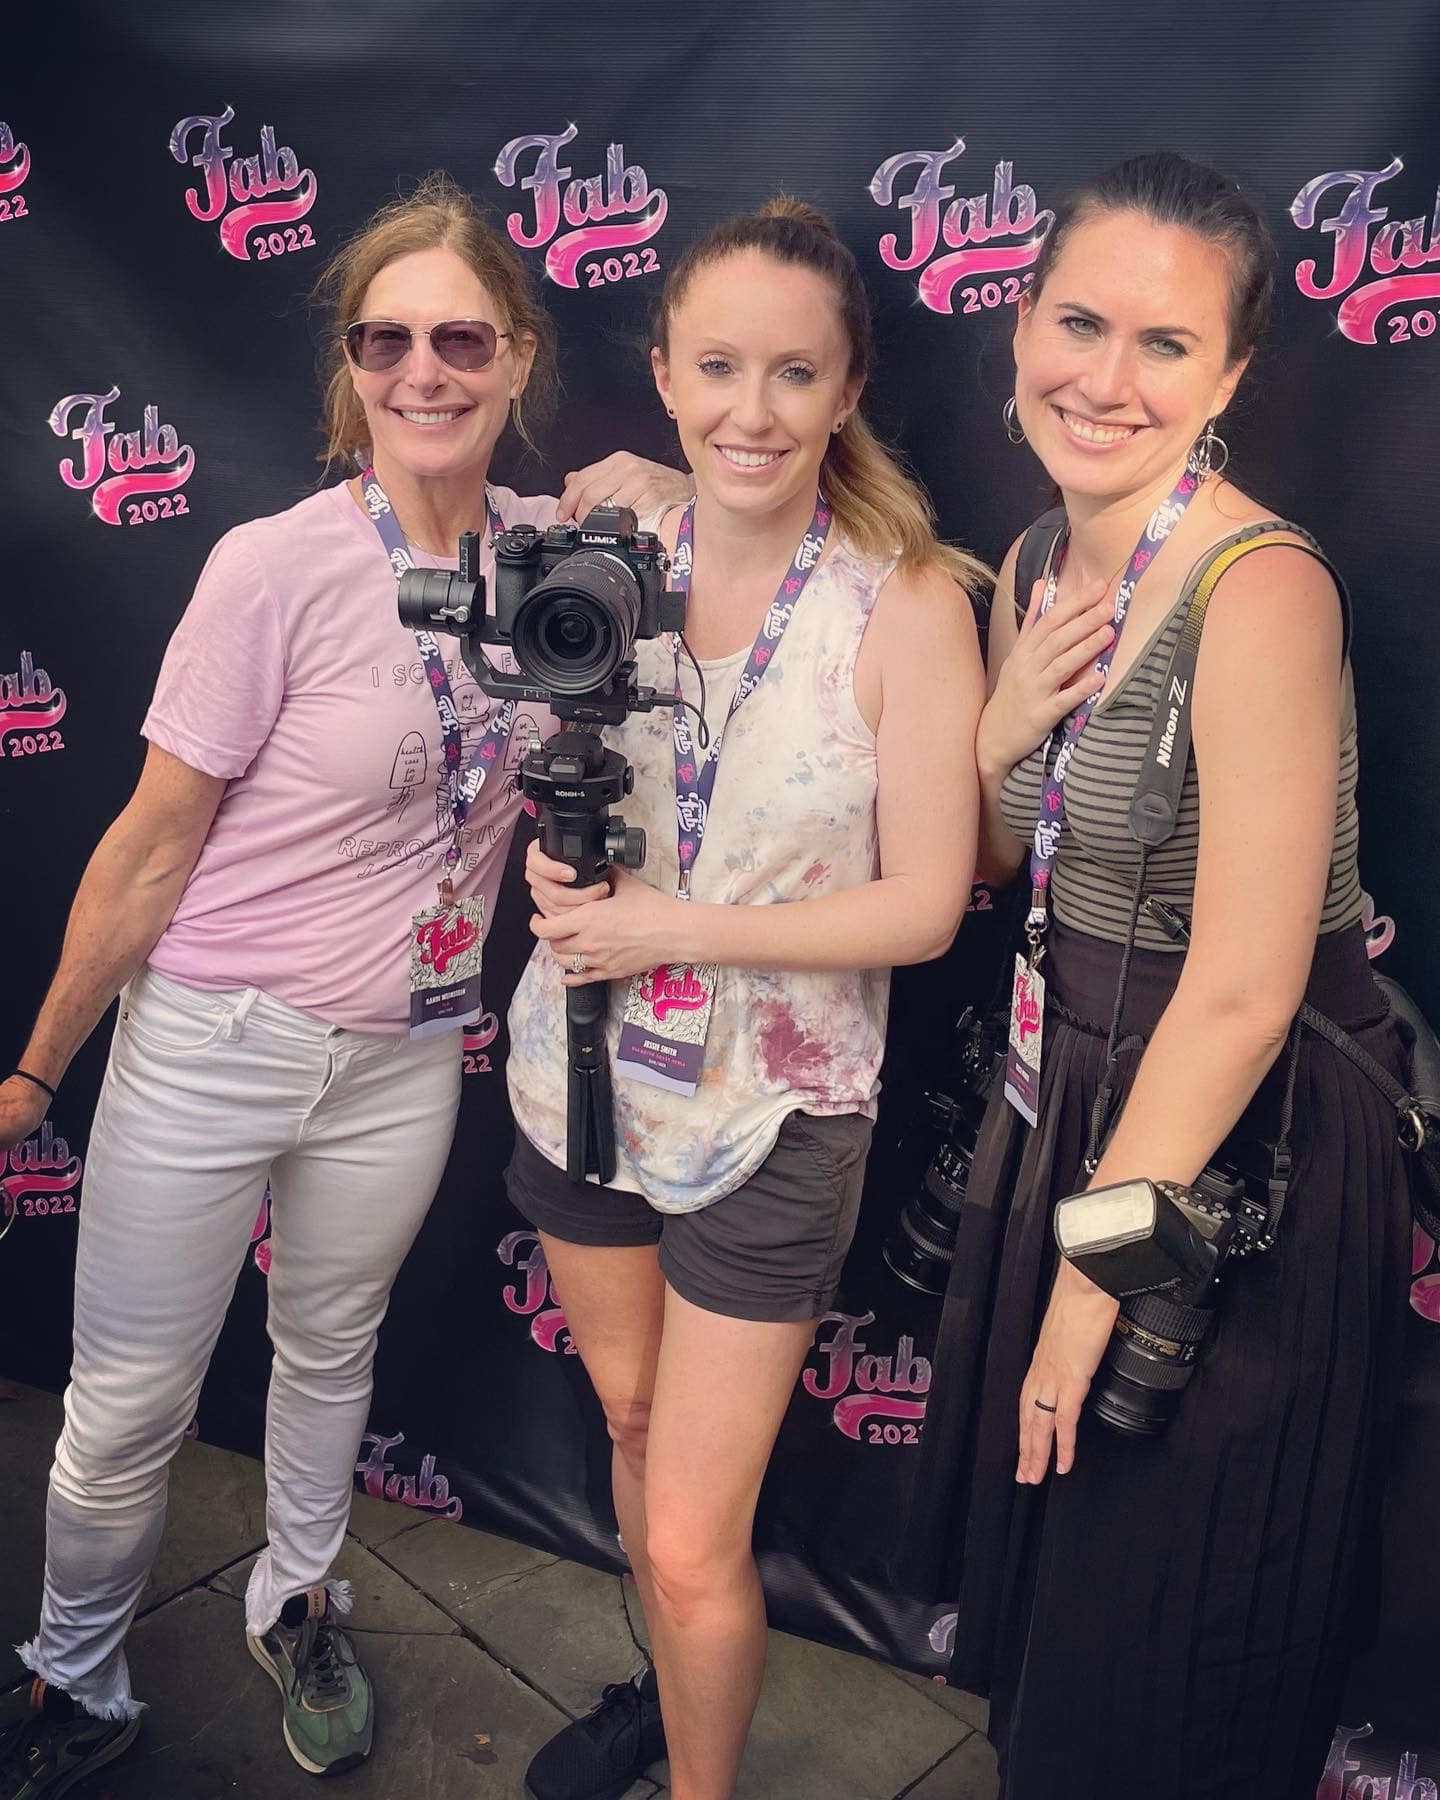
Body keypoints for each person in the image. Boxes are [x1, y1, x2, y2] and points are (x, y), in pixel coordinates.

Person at [0, 171, 688, 1793]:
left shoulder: (566, 556)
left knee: (328, 1353)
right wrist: (35, 1071)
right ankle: (75, 1677)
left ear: (520, 356)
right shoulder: (274, 566)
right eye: (388, 340)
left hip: (405, 1056)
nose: (423, 372)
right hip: (217, 1038)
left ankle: (298, 1601)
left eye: (462, 338)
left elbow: (785, 569)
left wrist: (674, 485)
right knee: (129, 1403)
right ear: (352, 366)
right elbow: (151, 844)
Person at [908, 152, 1413, 1799]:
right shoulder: (1034, 559)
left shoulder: (1260, 590)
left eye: (1166, 344)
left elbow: (1247, 992)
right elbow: (1002, 864)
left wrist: (1089, 1278)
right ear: (1018, 324)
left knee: (1169, 1635)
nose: (1106, 380)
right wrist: (996, 732)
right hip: (1069, 1097)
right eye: (1079, 323)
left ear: (1233, 377)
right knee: (1067, 1624)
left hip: (1233, 1149)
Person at [502, 197, 987, 1800]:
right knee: (636, 1431)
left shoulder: (907, 604)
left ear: (848, 388)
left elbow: (927, 905)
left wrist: (673, 928)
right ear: (662, 373)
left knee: (696, 1538)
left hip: (772, 1114)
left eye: (794, 372)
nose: (751, 411)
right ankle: (664, 1695)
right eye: (717, 367)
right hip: (580, 1072)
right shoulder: (604, 557)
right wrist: (563, 875)